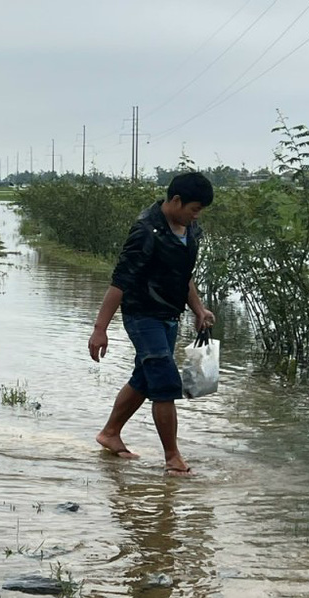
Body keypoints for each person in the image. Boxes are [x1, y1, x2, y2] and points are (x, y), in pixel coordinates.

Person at [88, 172, 215, 474]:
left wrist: (198, 309)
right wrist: (100, 329)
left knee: (145, 379)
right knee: (166, 381)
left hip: (169, 316)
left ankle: (109, 434)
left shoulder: (189, 230)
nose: (197, 216)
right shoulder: (147, 230)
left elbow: (183, 276)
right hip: (142, 315)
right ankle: (173, 458)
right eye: (194, 209)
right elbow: (120, 282)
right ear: (176, 201)